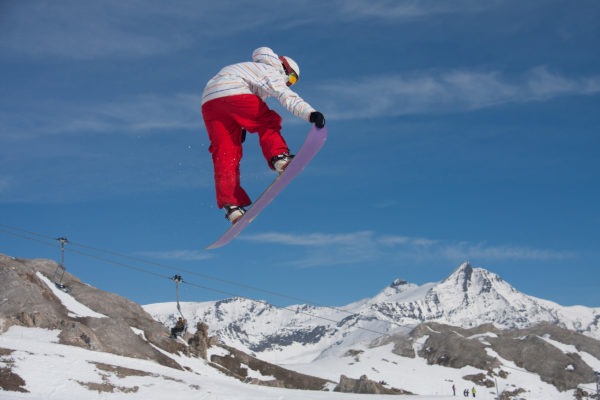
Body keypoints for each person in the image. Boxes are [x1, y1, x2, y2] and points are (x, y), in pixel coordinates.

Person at [201, 47, 326, 223]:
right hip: (234, 91)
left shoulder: (252, 71)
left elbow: (230, 101)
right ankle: (279, 157)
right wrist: (310, 113)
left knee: (225, 152)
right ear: (284, 67)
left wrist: (240, 127)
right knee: (267, 121)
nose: (289, 83)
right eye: (291, 78)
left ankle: (232, 206)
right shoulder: (271, 70)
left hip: (209, 101)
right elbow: (287, 96)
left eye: (293, 82)